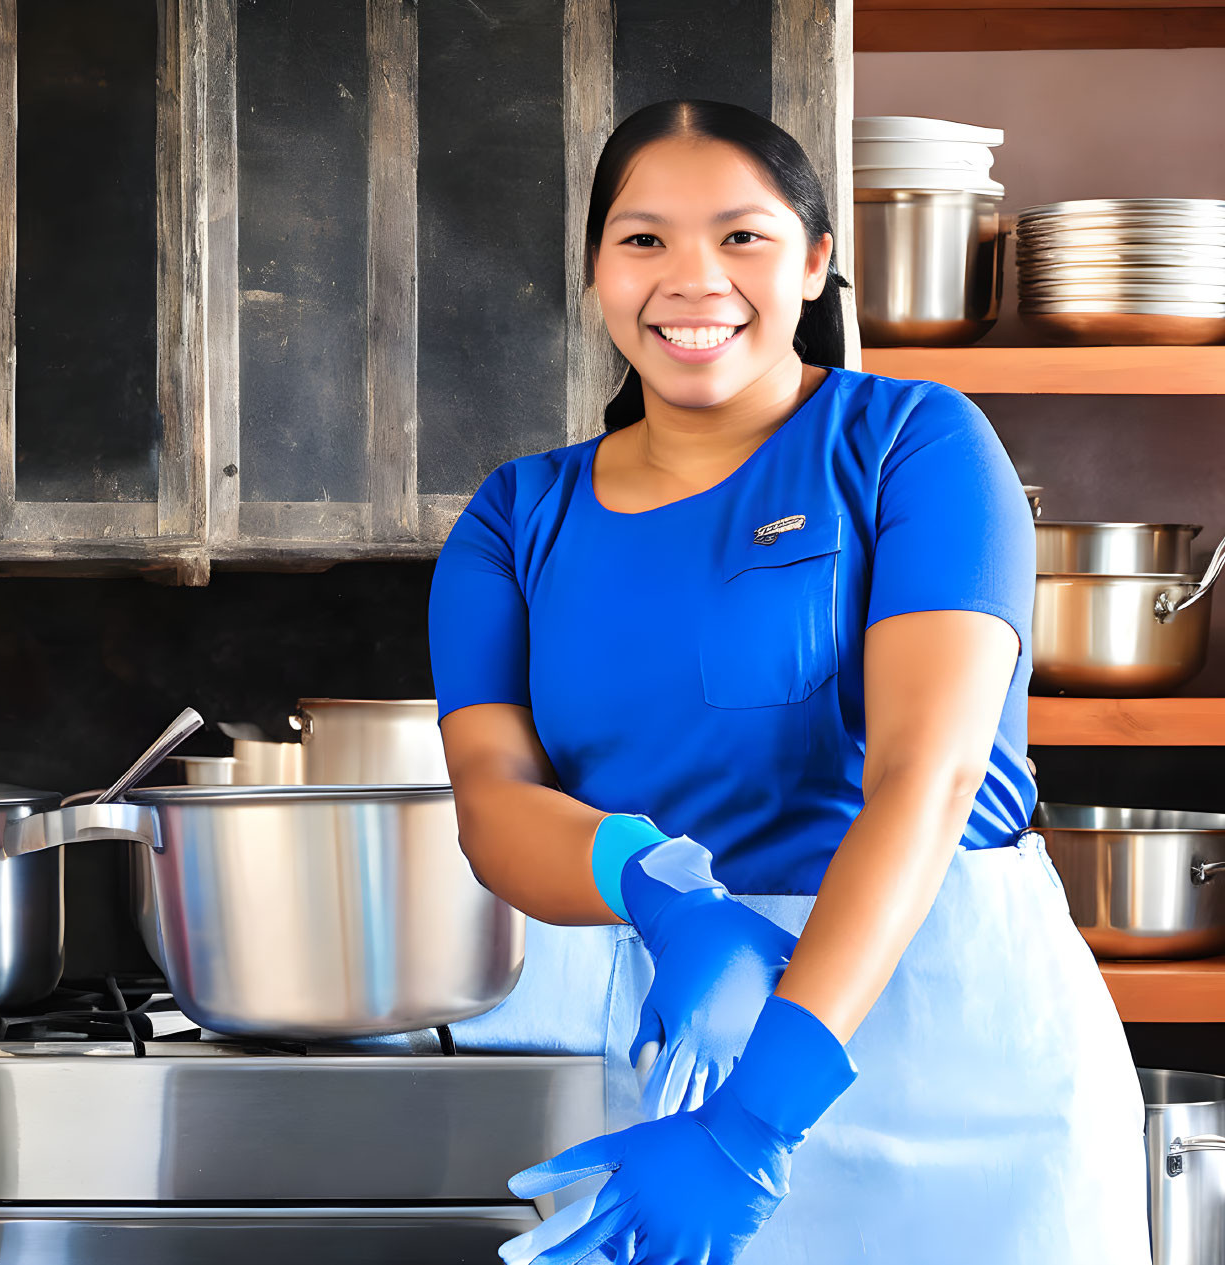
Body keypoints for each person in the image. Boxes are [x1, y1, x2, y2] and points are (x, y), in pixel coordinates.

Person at [425, 98, 1151, 1265]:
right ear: (597, 270)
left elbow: (927, 775)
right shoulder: (517, 517)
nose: (691, 277)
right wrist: (656, 887)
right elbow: (494, 800)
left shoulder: (913, 443)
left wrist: (760, 1114)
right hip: (671, 1033)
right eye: (643, 239)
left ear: (816, 260)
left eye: (742, 236)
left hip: (944, 1041)